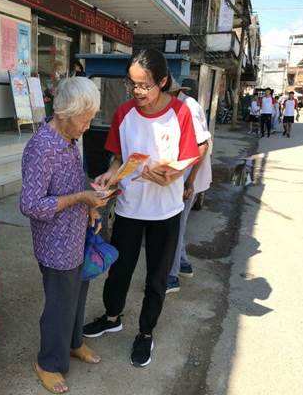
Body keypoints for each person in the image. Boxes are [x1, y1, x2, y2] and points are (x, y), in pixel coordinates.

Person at [82, 49, 199, 367]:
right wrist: (111, 173)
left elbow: (190, 154)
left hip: (166, 211)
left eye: (145, 85)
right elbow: (119, 157)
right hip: (130, 208)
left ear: (162, 82)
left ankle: (145, 333)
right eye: (132, 84)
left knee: (157, 279)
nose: (137, 92)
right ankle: (111, 316)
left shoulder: (180, 113)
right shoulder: (124, 113)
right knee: (119, 270)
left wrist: (171, 174)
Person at [20, 77, 109, 394]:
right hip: (56, 244)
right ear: (66, 114)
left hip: (77, 234)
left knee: (78, 294)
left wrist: (91, 202)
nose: (87, 127)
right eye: (85, 120)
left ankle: (73, 343)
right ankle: (48, 363)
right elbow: (30, 204)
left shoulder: (68, 141)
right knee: (59, 304)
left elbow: (72, 182)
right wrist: (79, 199)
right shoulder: (41, 147)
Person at [165, 78, 212, 294]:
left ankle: (171, 276)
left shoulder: (188, 108)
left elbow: (201, 147)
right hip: (184, 175)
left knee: (176, 226)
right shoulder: (181, 105)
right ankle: (182, 263)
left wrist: (189, 182)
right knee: (179, 224)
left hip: (188, 178)